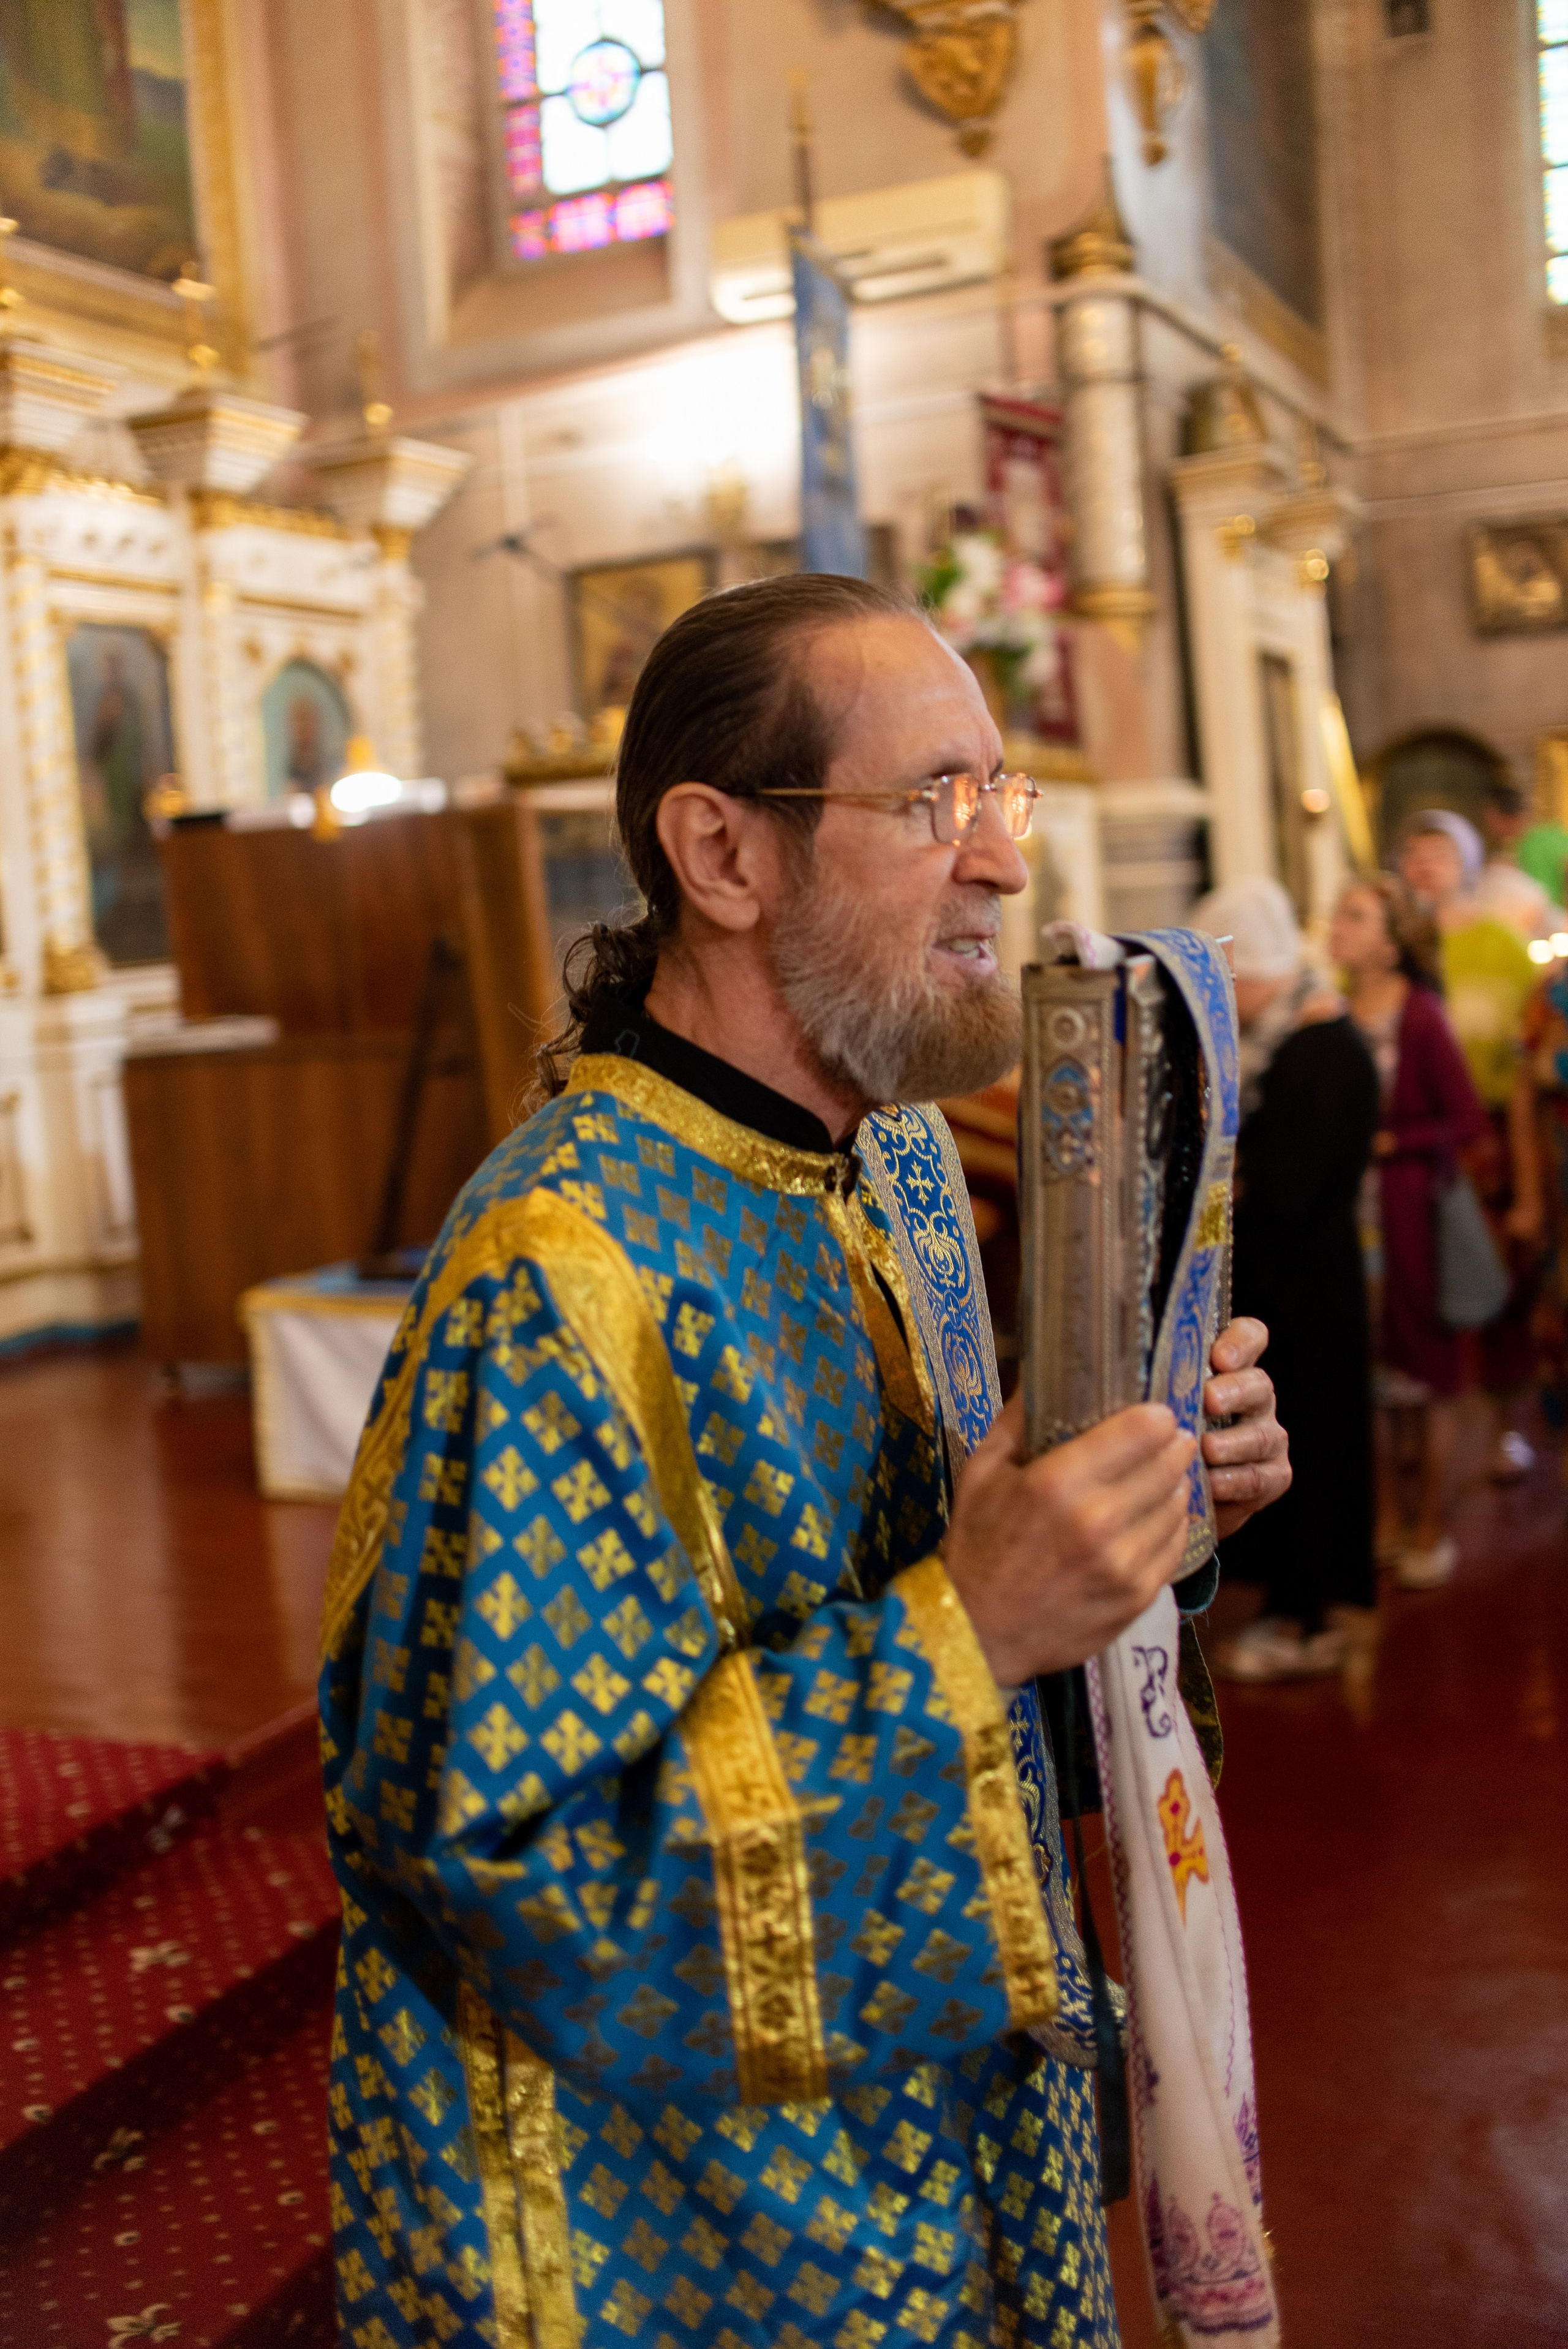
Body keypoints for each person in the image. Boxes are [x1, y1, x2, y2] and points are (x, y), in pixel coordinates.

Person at [317, 574, 1289, 2349]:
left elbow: (978, 1572)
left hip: (952, 2113)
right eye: (935, 800)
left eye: (1004, 794)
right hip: (702, 2241)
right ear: (724, 852)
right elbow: (507, 1884)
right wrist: (970, 1628)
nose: (1000, 857)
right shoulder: (562, 1273)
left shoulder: (895, 1164)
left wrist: (1142, 1511)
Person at [1191, 878, 1381, 1681]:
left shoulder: (1321, 1045)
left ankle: (1312, 1618)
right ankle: (1291, 1607)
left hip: (1313, 1290)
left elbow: (1292, 1180)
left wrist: (1227, 1180)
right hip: (1293, 1281)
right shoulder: (1291, 1037)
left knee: (1318, 1450)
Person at [1333, 873, 1487, 1586]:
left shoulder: (1420, 1014)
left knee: (1423, 1376)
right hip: (1352, 1220)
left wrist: (1395, 1143)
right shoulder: (1335, 1008)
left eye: (1356, 917)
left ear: (1392, 943)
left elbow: (1464, 1117)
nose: (1339, 926)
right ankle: (1386, 1517)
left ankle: (1429, 1520)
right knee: (1373, 1375)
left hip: (1408, 1218)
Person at [1397, 810, 1544, 1481]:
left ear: (1466, 866)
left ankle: (1506, 1427)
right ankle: (1422, 1430)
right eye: (1414, 853)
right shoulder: (1396, 948)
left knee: (1501, 1279)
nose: (1425, 865)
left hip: (1488, 1133)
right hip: (1412, 1140)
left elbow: (1529, 1038)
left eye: (1439, 853)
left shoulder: (1499, 943)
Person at [1469, 777, 1564, 943]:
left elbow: (1541, 900)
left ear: (1496, 814)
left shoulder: (1530, 845)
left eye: (1489, 817)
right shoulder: (1556, 834)